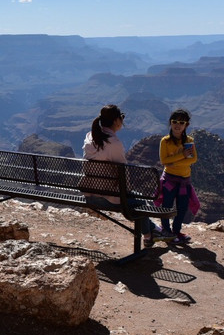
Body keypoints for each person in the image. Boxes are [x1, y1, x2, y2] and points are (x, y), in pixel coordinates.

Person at [81, 104, 162, 244]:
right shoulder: (113, 143)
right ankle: (149, 236)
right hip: (107, 198)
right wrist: (128, 190)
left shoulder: (90, 137)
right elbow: (123, 173)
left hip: (90, 194)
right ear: (116, 121)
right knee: (140, 202)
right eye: (122, 117)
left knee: (134, 197)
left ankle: (155, 228)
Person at [158, 108, 200, 245]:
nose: (177, 125)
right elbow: (164, 161)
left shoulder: (189, 140)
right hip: (169, 180)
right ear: (170, 123)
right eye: (175, 121)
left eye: (181, 122)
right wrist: (182, 155)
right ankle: (166, 230)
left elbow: (193, 159)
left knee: (182, 208)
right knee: (167, 207)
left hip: (184, 181)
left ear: (186, 125)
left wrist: (173, 160)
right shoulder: (165, 141)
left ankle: (176, 231)